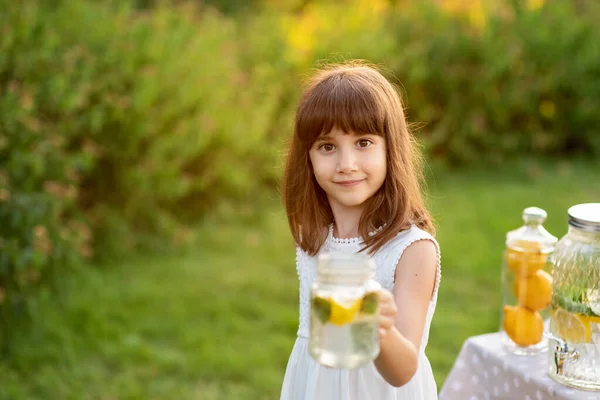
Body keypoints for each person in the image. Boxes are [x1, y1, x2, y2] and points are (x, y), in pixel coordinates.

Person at [279, 61, 441, 400]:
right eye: (327, 146)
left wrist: (378, 328)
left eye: (363, 142)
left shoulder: (412, 250)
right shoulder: (313, 238)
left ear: (390, 149)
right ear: (307, 158)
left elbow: (402, 371)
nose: (346, 164)